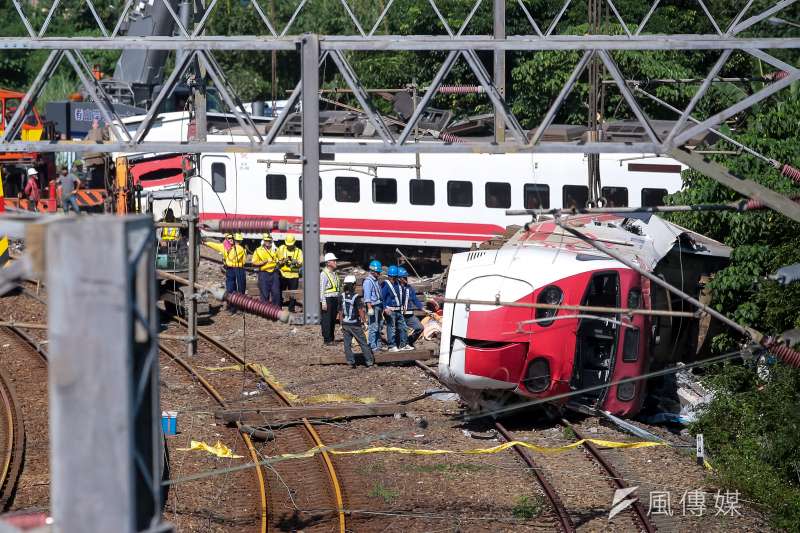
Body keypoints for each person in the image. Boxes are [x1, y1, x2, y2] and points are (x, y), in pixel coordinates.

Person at [204, 233, 246, 313]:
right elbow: (214, 245)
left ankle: (239, 308)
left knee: (239, 289)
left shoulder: (238, 248)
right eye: (229, 238)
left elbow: (233, 257)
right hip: (230, 269)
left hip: (237, 269)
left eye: (232, 238)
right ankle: (231, 307)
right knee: (230, 288)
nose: (231, 240)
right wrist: (205, 243)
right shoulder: (225, 247)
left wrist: (228, 251)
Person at [338, 274, 375, 369]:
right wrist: (365, 322)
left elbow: (340, 311)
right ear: (353, 285)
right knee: (363, 343)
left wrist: (341, 323)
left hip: (345, 324)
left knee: (347, 344)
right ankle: (369, 361)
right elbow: (360, 310)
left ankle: (350, 362)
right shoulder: (356, 297)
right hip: (355, 324)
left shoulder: (341, 296)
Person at [381, 265, 412, 352]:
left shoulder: (397, 284)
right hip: (390, 310)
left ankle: (403, 344)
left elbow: (402, 295)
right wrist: (385, 308)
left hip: (398, 310)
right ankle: (391, 346)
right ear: (389, 276)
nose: (393, 279)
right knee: (391, 328)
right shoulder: (385, 285)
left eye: (395, 277)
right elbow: (381, 298)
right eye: (392, 277)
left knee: (403, 327)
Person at [397, 267, 424, 348]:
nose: (406, 279)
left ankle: (408, 342)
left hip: (409, 314)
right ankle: (400, 345)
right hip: (399, 314)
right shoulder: (396, 288)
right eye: (404, 277)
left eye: (406, 277)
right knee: (401, 330)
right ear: (399, 278)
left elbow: (415, 299)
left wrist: (422, 308)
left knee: (419, 327)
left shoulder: (409, 288)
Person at [362, 260, 386, 352]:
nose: (379, 273)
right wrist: (369, 307)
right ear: (373, 271)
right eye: (378, 272)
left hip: (378, 305)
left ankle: (378, 345)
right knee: (373, 326)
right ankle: (372, 346)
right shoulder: (368, 282)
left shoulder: (375, 280)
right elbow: (367, 296)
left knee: (379, 325)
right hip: (373, 306)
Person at [252, 233, 281, 307]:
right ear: (263, 241)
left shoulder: (276, 250)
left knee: (276, 292)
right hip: (264, 273)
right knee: (264, 293)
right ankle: (265, 310)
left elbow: (281, 260)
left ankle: (276, 309)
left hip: (274, 272)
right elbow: (254, 263)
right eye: (266, 240)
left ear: (271, 240)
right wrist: (262, 262)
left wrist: (279, 262)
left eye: (269, 240)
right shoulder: (258, 250)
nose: (268, 242)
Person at [278, 235, 303, 312]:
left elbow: (301, 263)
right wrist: (283, 261)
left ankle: (291, 308)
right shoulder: (281, 248)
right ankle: (279, 306)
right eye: (288, 245)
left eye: (290, 245)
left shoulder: (298, 251)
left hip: (294, 274)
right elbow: (277, 261)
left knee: (293, 293)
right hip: (283, 273)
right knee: (280, 291)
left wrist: (296, 262)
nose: (289, 246)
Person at [320, 252, 341, 345]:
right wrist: (323, 302)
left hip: (334, 299)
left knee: (332, 319)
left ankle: (331, 338)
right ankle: (327, 339)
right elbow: (321, 289)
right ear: (328, 262)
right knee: (327, 320)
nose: (335, 262)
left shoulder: (335, 274)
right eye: (334, 261)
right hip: (328, 299)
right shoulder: (324, 274)